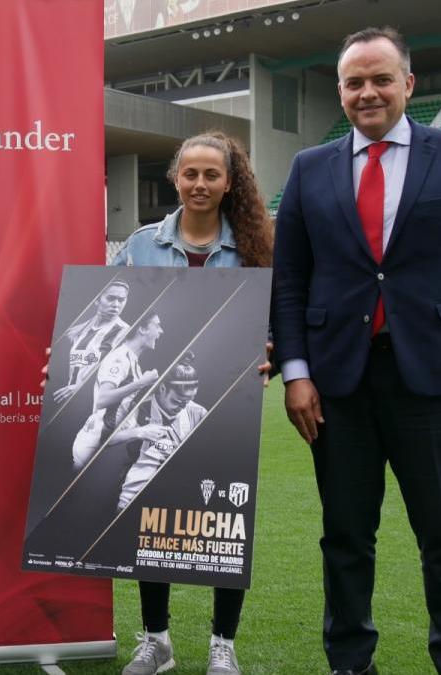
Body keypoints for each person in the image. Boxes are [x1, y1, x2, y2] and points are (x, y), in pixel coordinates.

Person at [271, 27, 441, 675]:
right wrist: (296, 373)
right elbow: (290, 278)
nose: (368, 92)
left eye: (381, 78)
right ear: (341, 91)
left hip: (434, 381)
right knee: (346, 537)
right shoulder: (309, 168)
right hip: (335, 385)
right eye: (354, 82)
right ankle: (351, 663)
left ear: (408, 83)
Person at [111, 131, 274, 675]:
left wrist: (272, 350)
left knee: (224, 520)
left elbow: (275, 321)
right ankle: (156, 641)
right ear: (175, 178)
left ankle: (221, 646)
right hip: (156, 403)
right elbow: (113, 321)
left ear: (229, 182)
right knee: (149, 517)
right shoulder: (139, 246)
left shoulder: (256, 245)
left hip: (228, 403)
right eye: (190, 174)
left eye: (211, 175)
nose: (199, 184)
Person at [110, 353, 206, 512]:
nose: (182, 406)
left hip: (175, 492)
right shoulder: (138, 407)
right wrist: (139, 432)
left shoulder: (198, 413)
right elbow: (105, 441)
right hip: (134, 489)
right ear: (162, 388)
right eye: (177, 401)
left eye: (188, 401)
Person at [71, 312, 162, 471]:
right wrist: (142, 383)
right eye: (157, 325)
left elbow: (121, 408)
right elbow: (102, 399)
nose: (161, 331)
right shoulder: (120, 358)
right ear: (142, 328)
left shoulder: (133, 362)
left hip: (102, 442)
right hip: (92, 444)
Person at [52, 280, 131, 405]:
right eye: (111, 298)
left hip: (92, 401)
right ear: (97, 300)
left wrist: (80, 387)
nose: (116, 304)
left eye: (121, 300)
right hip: (68, 397)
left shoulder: (124, 332)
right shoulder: (80, 329)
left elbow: (113, 373)